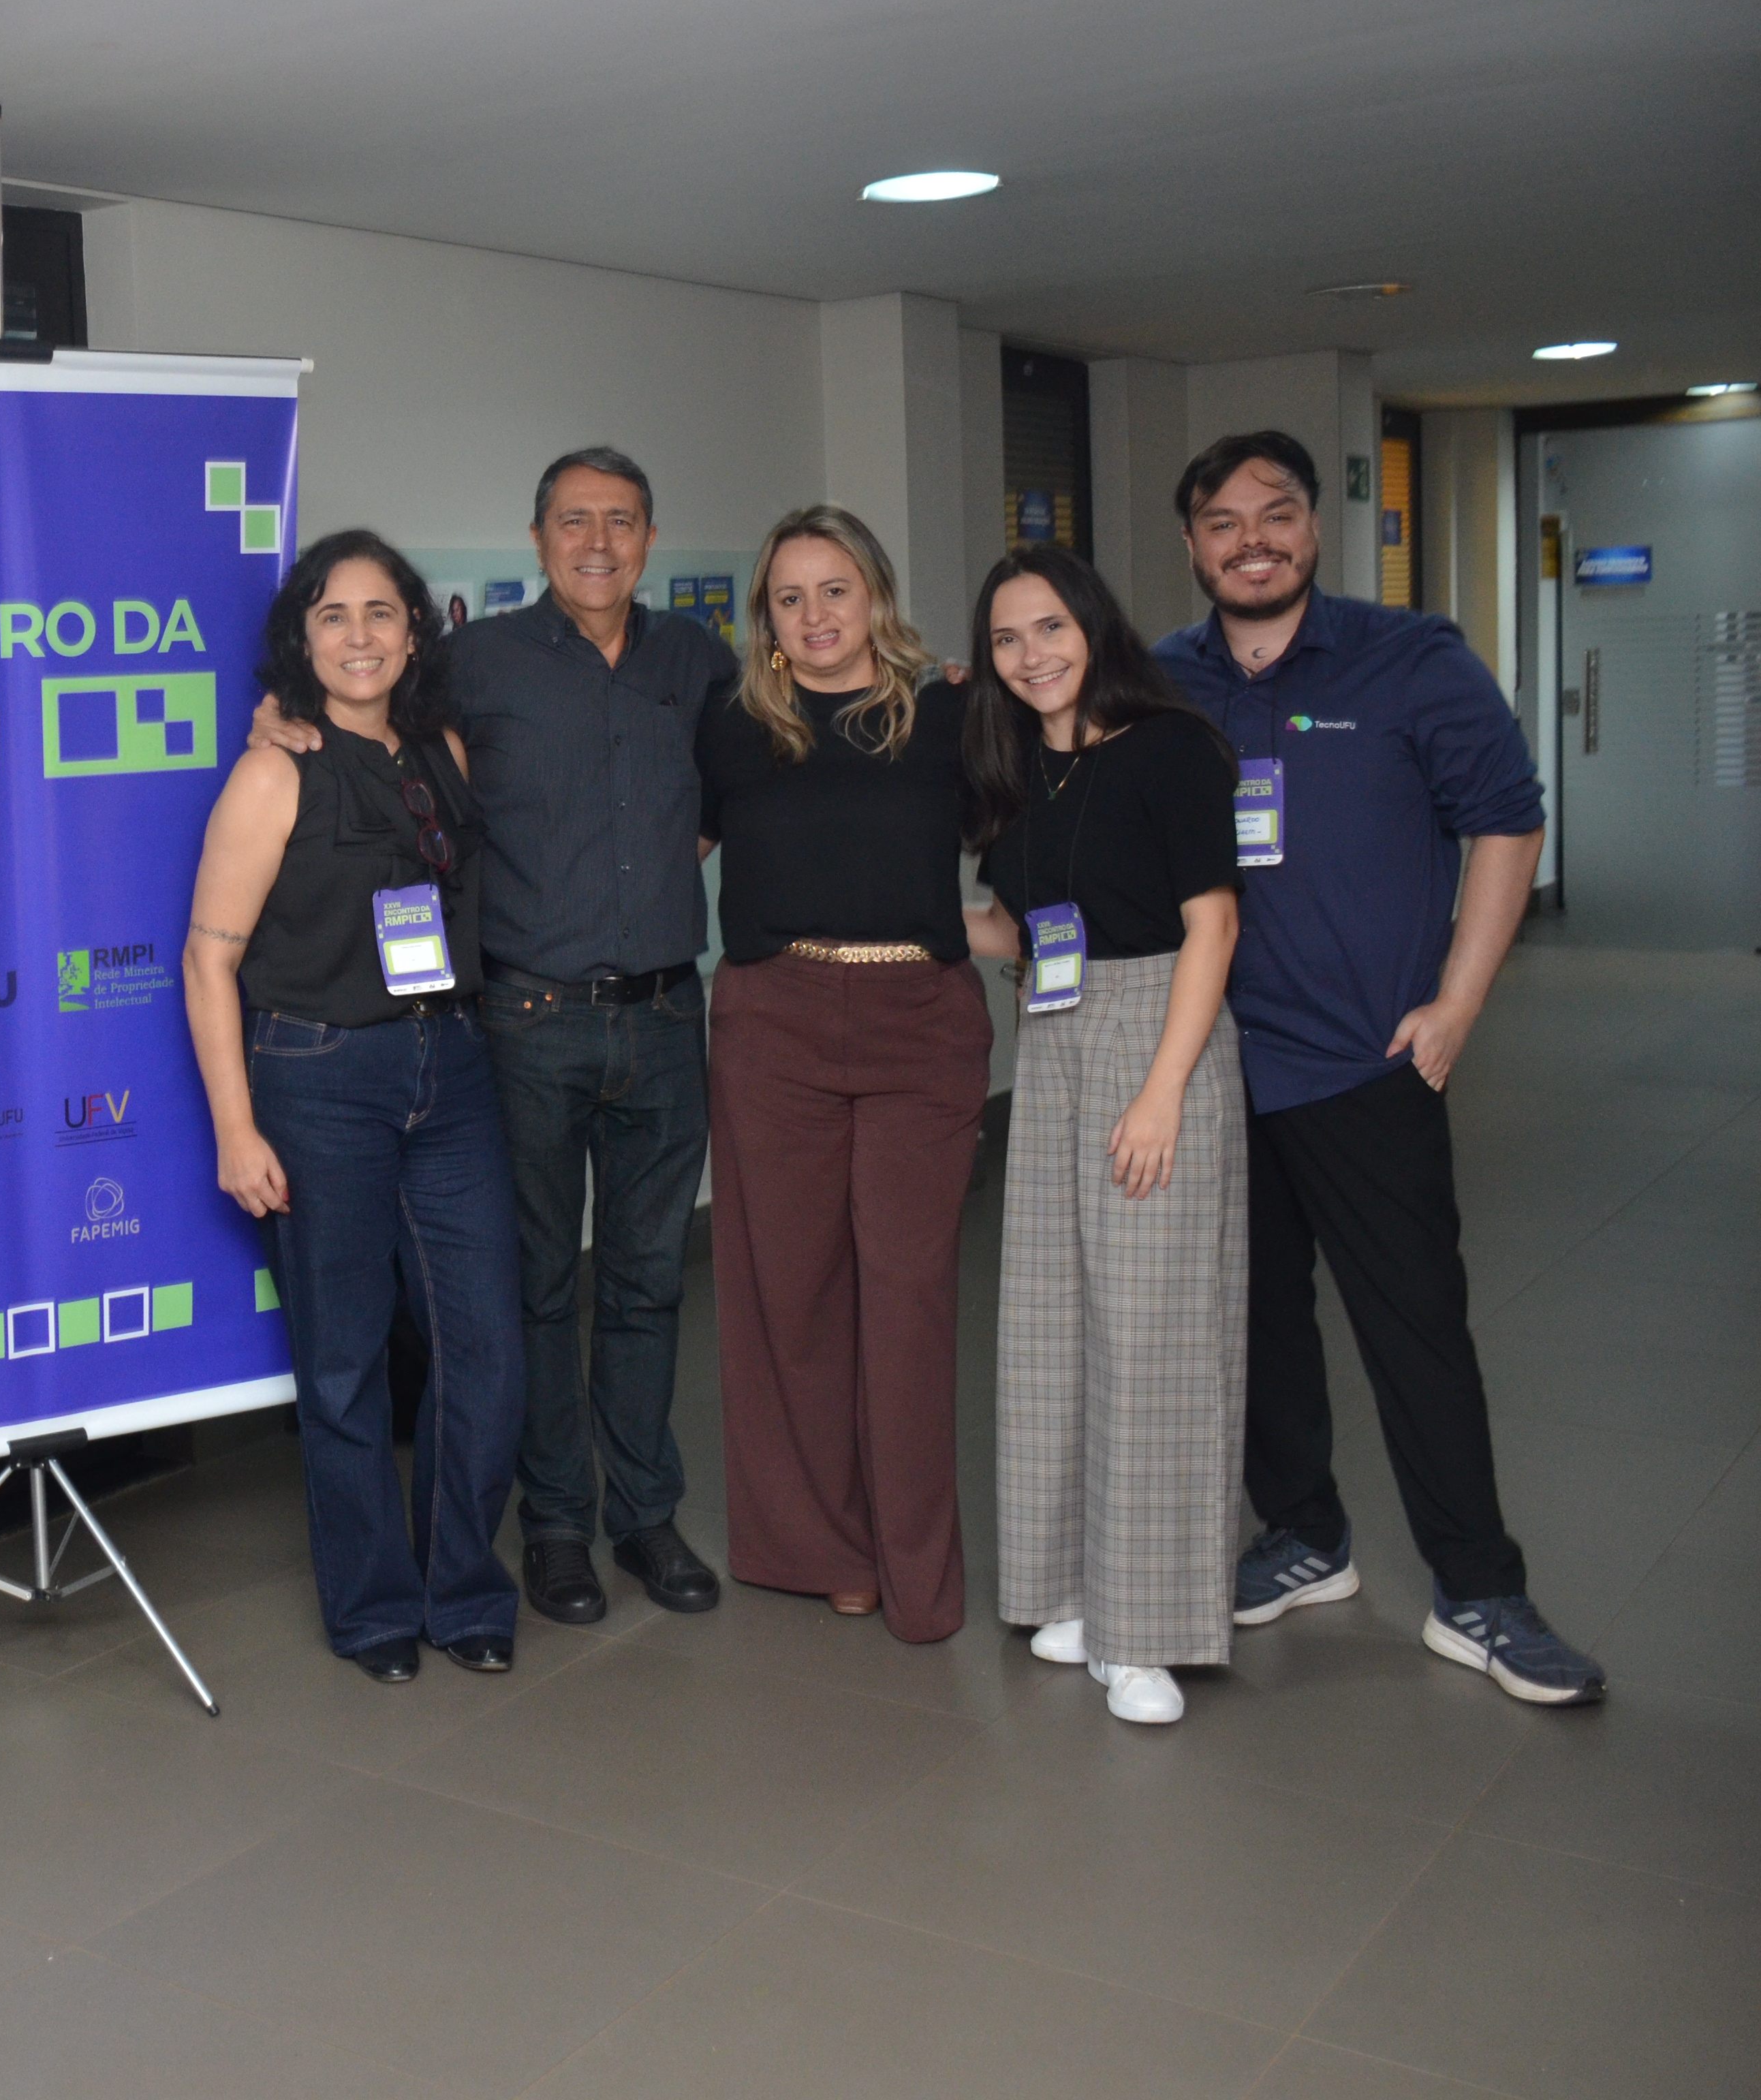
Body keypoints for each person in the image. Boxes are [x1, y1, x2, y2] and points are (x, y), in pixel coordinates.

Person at [1154, 431, 1603, 1705]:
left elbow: (1507, 820)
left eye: (1277, 514)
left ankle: (1482, 1591)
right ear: (1192, 546)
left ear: (1315, 528)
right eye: (1224, 522)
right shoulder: (1162, 679)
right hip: (1218, 1070)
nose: (1253, 541)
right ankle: (1306, 1534)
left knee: (1416, 1333)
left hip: (1363, 1065)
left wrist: (1459, 1001)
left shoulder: (1412, 660)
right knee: (1257, 1326)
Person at [253, 449, 733, 1630]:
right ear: (537, 539)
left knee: (647, 1283)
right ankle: (557, 1526)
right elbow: (370, 719)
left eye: (621, 521)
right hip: (526, 1023)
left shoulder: (697, 661)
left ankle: (647, 1514)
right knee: (536, 1291)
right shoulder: (475, 664)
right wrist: (281, 715)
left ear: (650, 536)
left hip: (666, 1017)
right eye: (574, 521)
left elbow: (728, 799)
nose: (597, 543)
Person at [187, 531, 525, 1682]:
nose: (360, 636)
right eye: (333, 616)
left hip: (453, 1070)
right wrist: (236, 1128)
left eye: (381, 613)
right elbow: (208, 958)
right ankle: (376, 1609)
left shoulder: (442, 751)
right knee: (342, 1365)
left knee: (484, 1351)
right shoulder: (274, 770)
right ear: (303, 638)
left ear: (415, 632)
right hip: (320, 1077)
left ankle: (464, 1588)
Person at [960, 546, 1246, 1725]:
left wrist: (1164, 1090)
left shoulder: (1170, 748)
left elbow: (1214, 924)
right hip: (1057, 1034)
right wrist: (885, 908)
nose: (1032, 655)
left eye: (1050, 628)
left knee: (1152, 1339)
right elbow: (1018, 928)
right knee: (1050, 1323)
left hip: (1159, 1032)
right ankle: (1070, 1587)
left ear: (1095, 625)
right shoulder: (1016, 765)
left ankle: (1150, 1632)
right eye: (1007, 639)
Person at [698, 503, 988, 1644]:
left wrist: (1019, 933)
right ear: (764, 617)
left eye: (835, 590)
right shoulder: (734, 726)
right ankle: (827, 1549)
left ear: (875, 595)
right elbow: (653, 840)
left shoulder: (953, 711)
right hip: (775, 1024)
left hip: (921, 1026)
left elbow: (1045, 821)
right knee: (791, 1297)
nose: (815, 616)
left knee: (908, 1300)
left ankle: (918, 1566)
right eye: (790, 597)